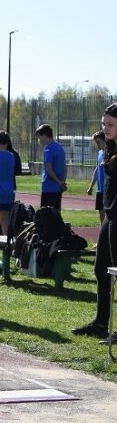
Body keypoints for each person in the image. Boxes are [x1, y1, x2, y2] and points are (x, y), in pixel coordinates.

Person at [73, 103, 117, 338]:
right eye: (103, 124)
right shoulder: (109, 148)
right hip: (109, 216)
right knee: (101, 269)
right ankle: (101, 323)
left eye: (110, 124)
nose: (105, 128)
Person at [36, 123, 67, 211]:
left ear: (44, 135)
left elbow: (49, 169)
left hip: (49, 187)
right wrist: (62, 182)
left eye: (39, 137)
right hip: (58, 188)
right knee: (56, 215)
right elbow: (65, 167)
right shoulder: (60, 147)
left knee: (47, 216)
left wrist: (58, 182)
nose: (39, 140)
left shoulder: (48, 149)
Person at [87, 130, 106, 225]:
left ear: (105, 140)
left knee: (109, 214)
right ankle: (104, 236)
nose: (97, 144)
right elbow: (97, 169)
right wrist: (91, 186)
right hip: (100, 190)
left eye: (98, 142)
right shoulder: (100, 153)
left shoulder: (110, 153)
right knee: (101, 213)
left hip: (108, 189)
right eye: (96, 142)